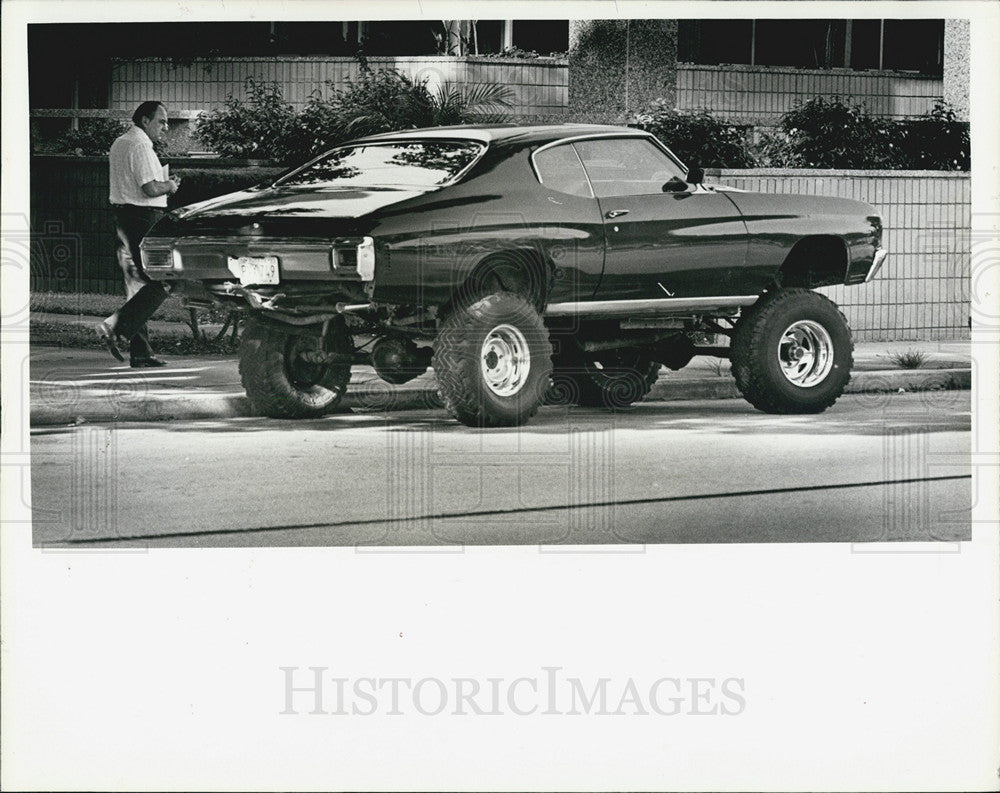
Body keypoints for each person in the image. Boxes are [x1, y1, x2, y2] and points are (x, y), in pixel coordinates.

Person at [96, 101, 180, 367]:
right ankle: (115, 327)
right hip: (144, 218)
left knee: (136, 285)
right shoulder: (141, 145)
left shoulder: (119, 142)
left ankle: (141, 353)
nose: (165, 127)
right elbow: (150, 188)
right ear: (145, 120)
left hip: (123, 217)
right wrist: (171, 185)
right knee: (164, 278)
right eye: (161, 121)